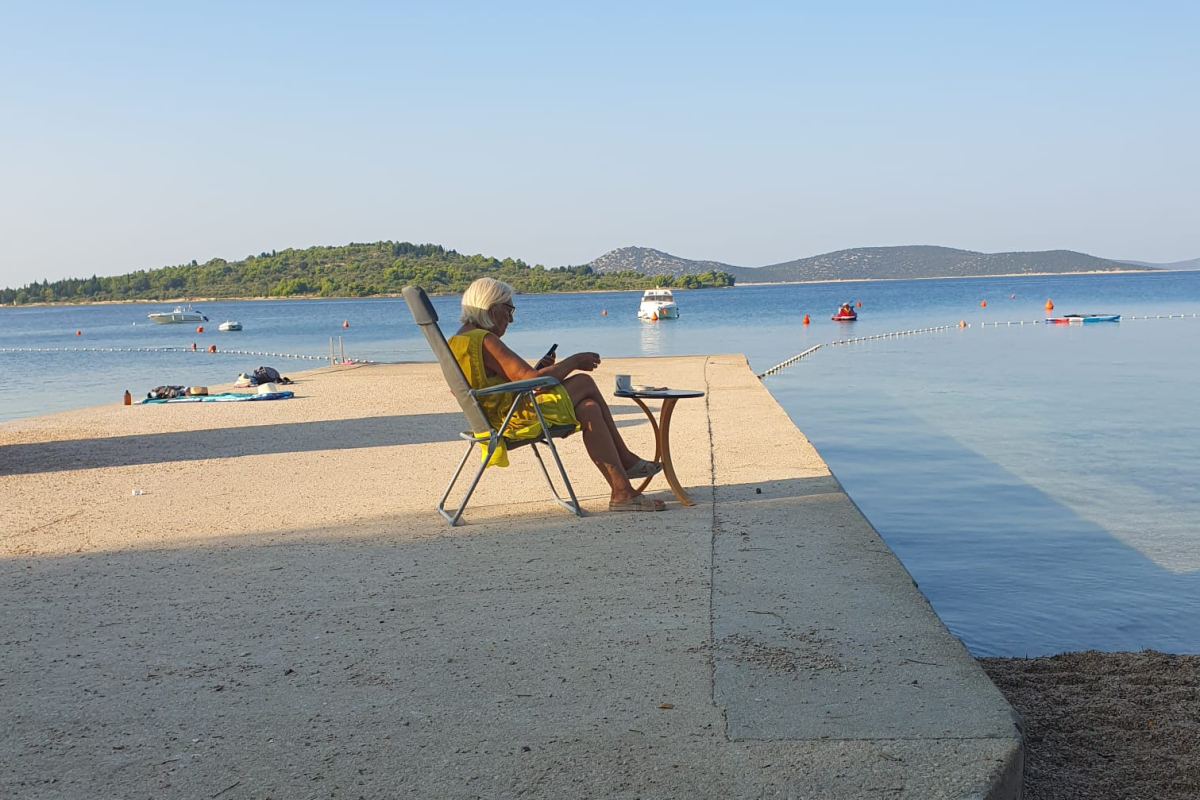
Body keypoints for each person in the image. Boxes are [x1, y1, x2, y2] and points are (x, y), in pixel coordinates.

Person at [449, 277, 665, 512]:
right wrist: (573, 362)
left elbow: (508, 380)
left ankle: (622, 492)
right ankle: (625, 458)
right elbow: (533, 383)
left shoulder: (457, 341)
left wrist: (542, 369)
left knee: (589, 407)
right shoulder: (484, 339)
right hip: (512, 419)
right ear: (492, 309)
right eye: (509, 310)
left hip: (494, 417)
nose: (511, 318)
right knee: (584, 381)